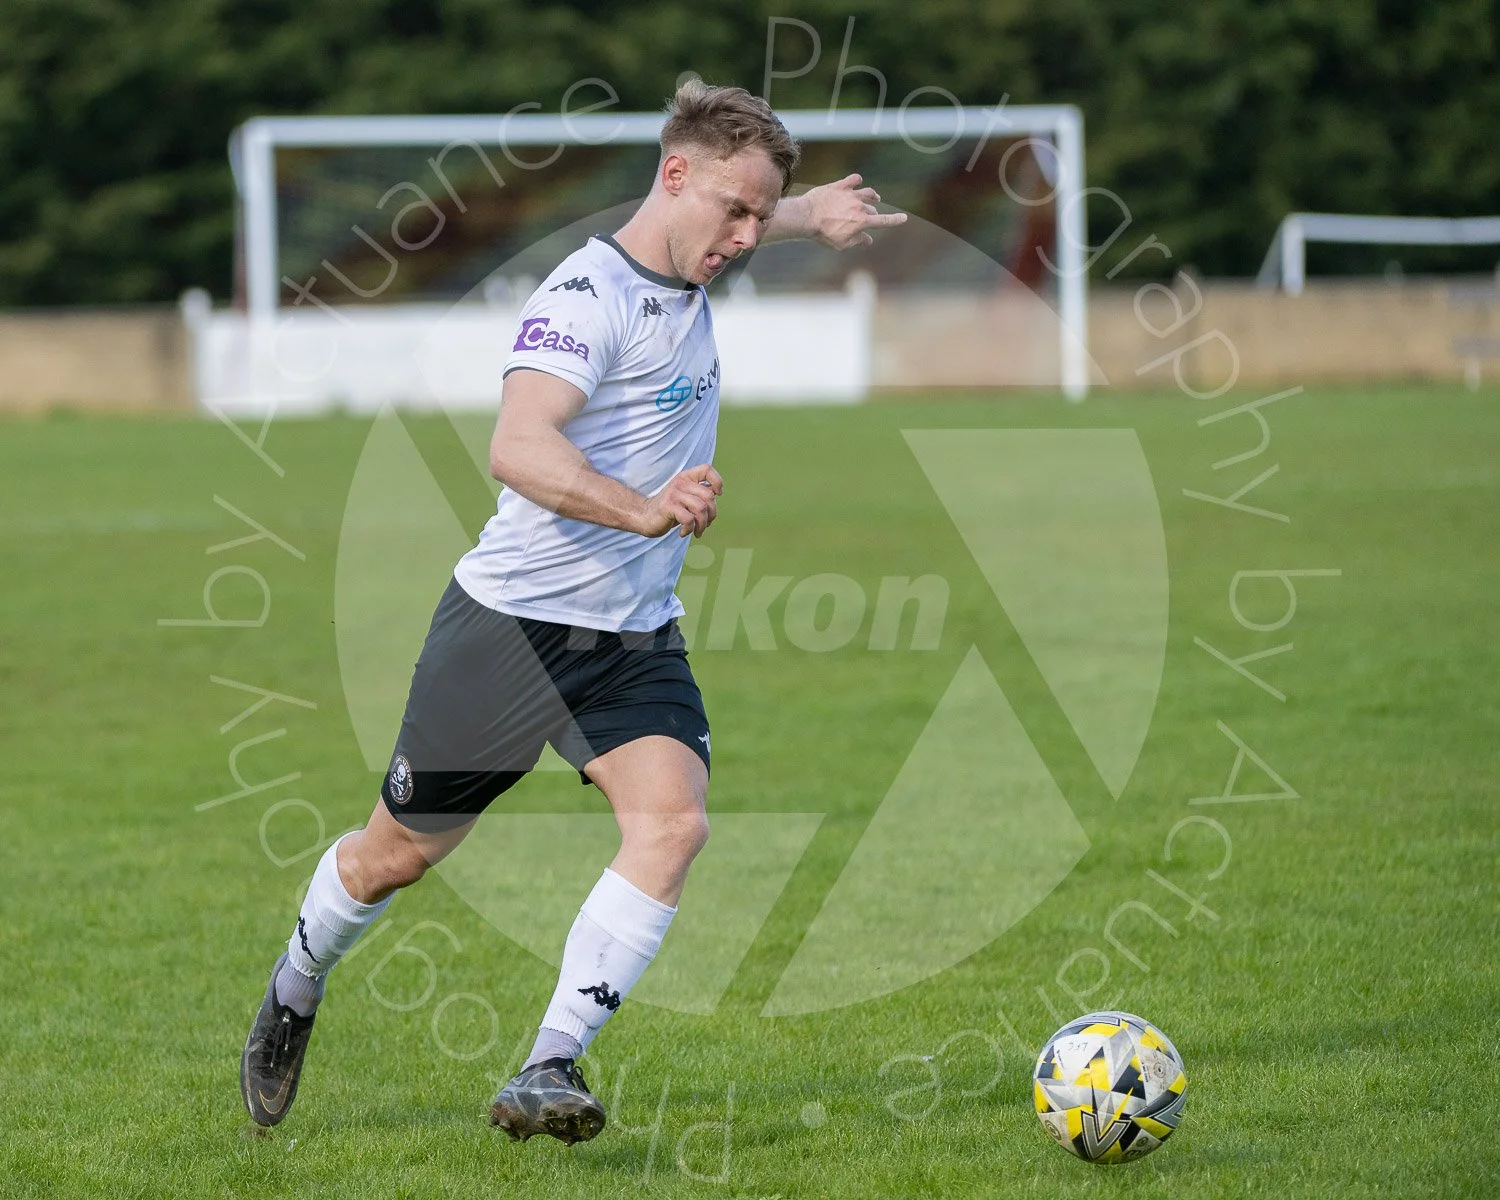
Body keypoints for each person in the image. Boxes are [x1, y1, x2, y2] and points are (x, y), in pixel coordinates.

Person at [240, 77, 906, 1145]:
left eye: (755, 215)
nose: (743, 237)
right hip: (507, 633)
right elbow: (519, 446)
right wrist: (642, 509)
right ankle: (299, 979)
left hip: (632, 638)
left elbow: (735, 212)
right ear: (672, 177)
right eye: (733, 212)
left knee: (674, 825)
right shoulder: (581, 300)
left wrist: (805, 209)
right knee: (392, 859)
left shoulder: (696, 248)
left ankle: (551, 1062)